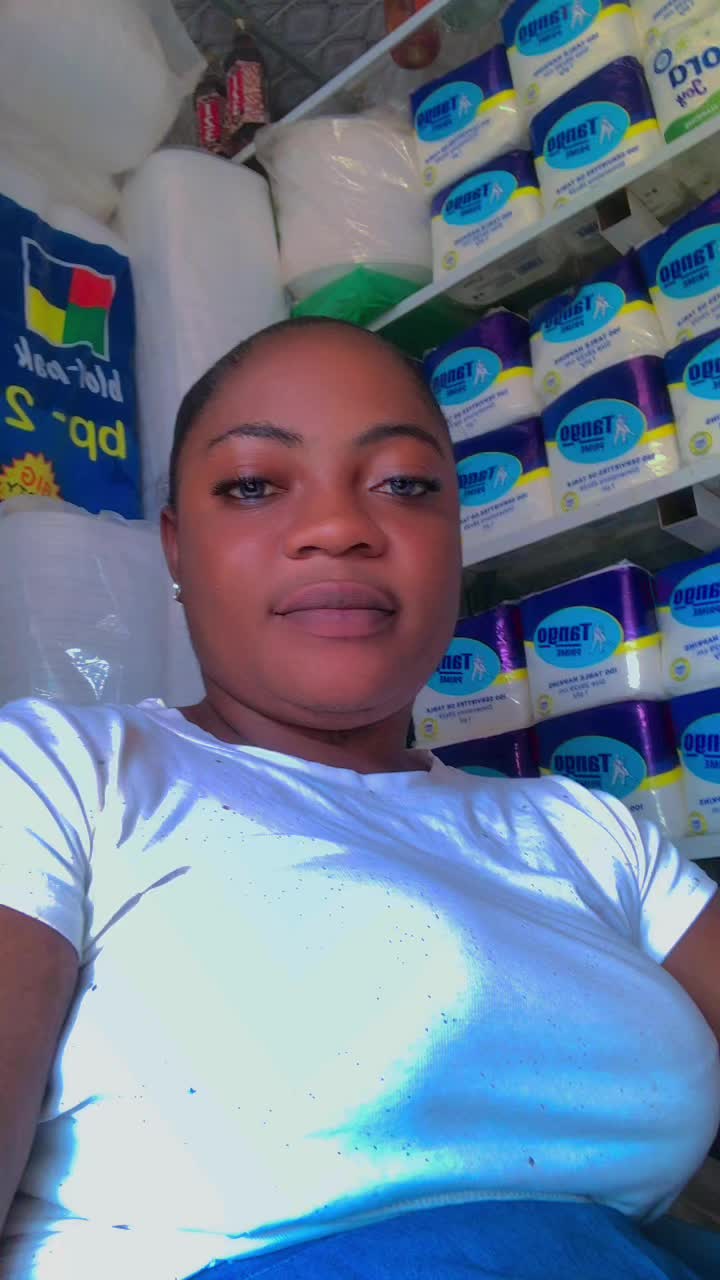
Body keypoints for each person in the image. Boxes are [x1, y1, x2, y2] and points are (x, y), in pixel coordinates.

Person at [0, 317, 719, 1280]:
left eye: (404, 485)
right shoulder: (56, 775)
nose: (339, 528)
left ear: (455, 536)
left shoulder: (589, 833)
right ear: (177, 546)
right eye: (253, 485)